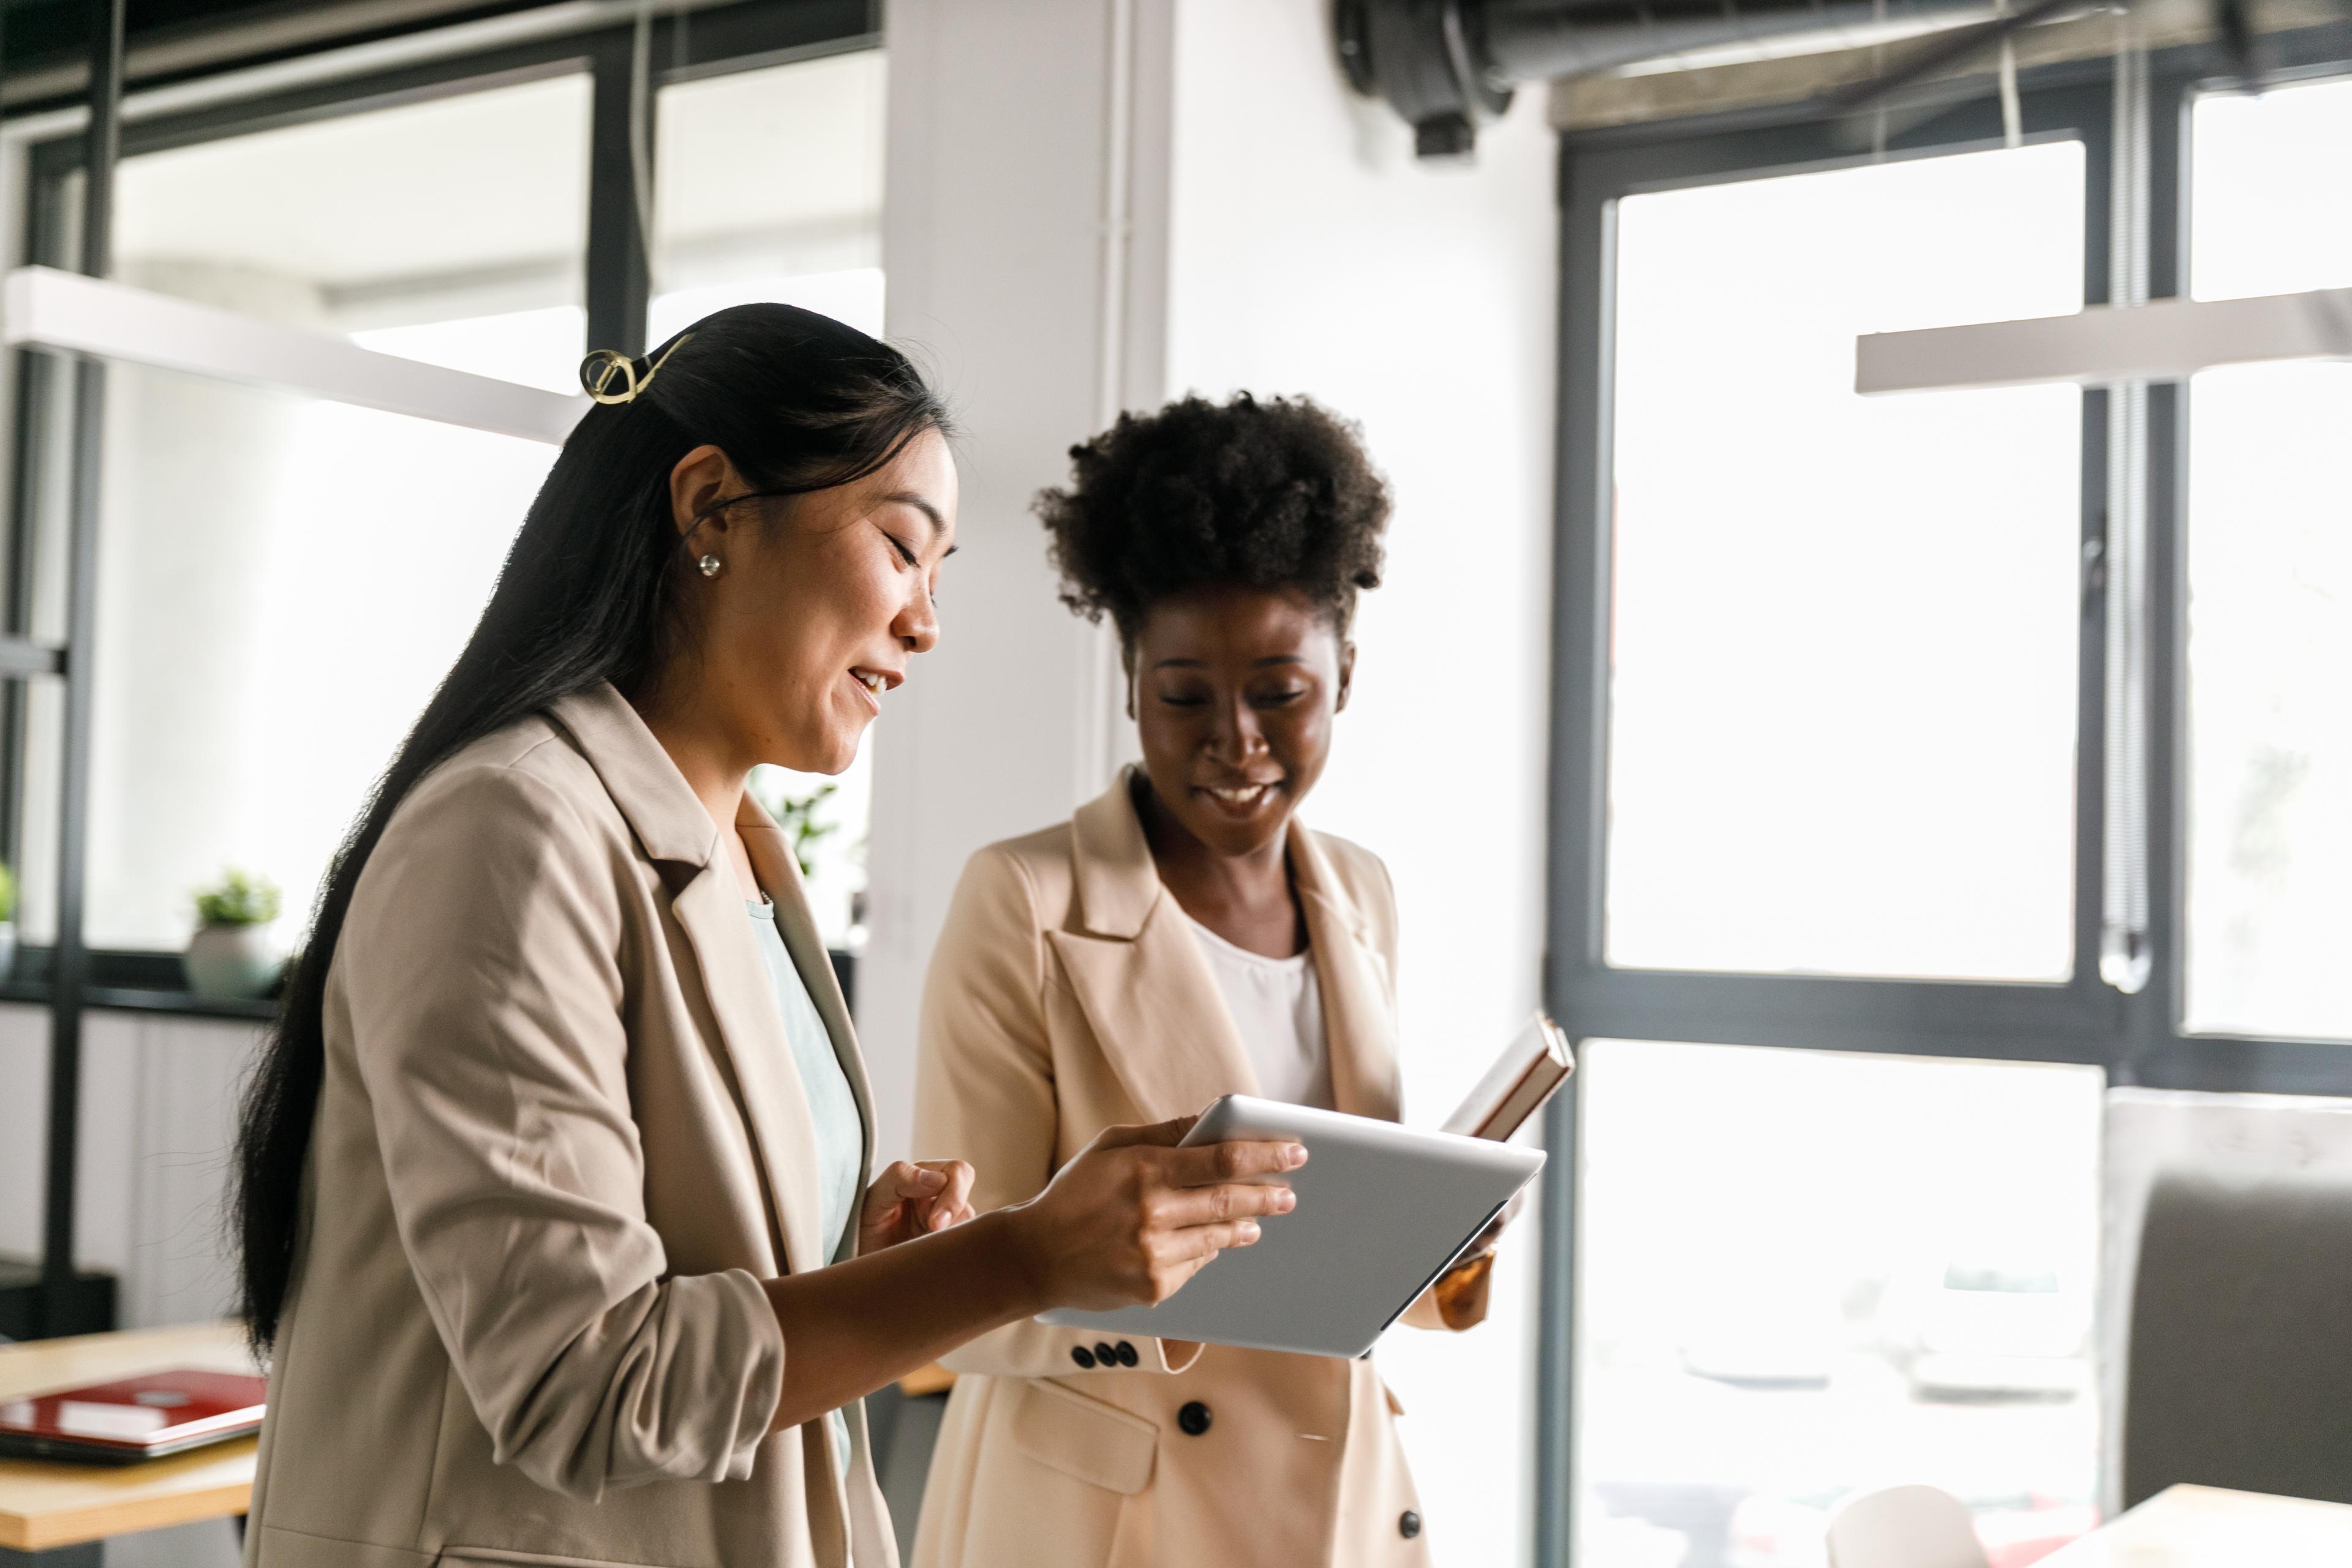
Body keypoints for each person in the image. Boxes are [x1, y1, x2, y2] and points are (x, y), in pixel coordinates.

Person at [229, 307, 1304, 1568]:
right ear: (710, 509)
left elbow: (693, 1257)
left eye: (941, 574)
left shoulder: (741, 855)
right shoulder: (509, 829)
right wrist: (1020, 1255)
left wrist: (855, 1245)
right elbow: (585, 1377)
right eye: (904, 547)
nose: (926, 623)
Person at [910, 393, 1506, 1568]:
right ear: (1132, 682)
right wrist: (1159, 1284)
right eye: (1186, 696)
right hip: (1113, 1519)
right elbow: (953, 1289)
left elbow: (1337, 1239)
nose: (1235, 740)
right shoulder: (1023, 903)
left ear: (1345, 675)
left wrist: (1441, 1245)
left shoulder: (1362, 894)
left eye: (1281, 693)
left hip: (1336, 1502)